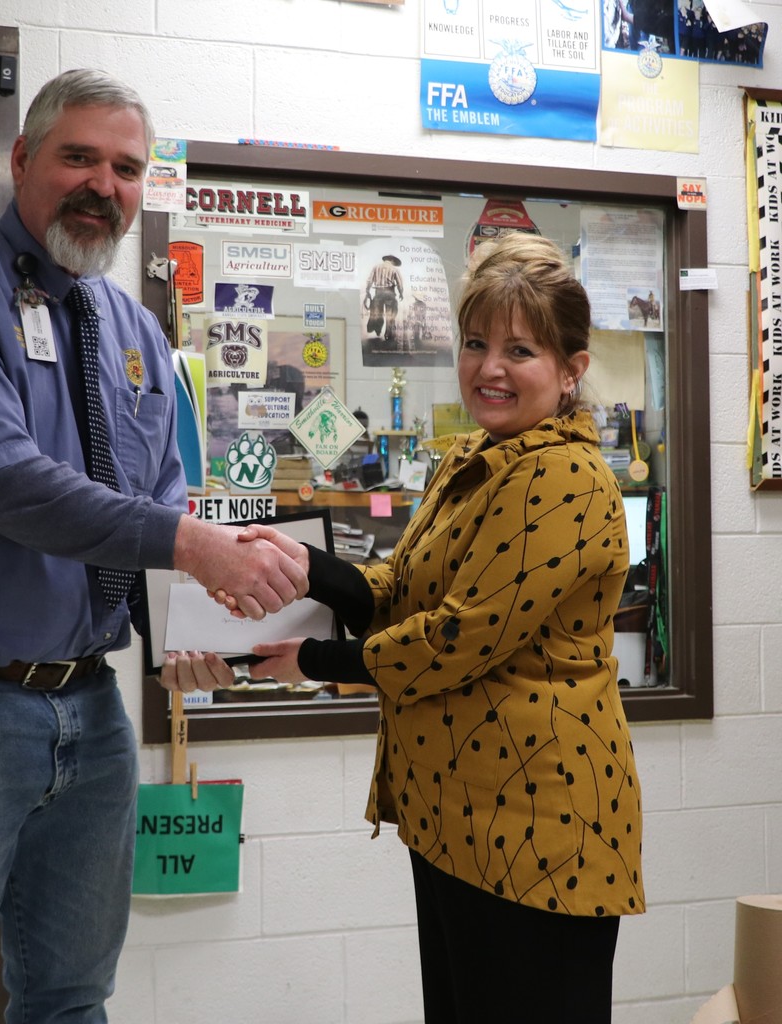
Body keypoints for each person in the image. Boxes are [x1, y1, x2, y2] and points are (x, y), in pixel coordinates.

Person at [0, 68, 306, 1024]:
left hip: (90, 705)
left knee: (74, 995)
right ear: (22, 160)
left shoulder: (134, 330)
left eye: (126, 168)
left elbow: (155, 498)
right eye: (79, 157)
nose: (103, 185)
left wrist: (182, 635)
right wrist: (192, 546)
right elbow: (0, 483)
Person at [166, 233, 644, 1023]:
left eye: (520, 350)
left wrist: (312, 659)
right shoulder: (477, 460)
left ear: (572, 369)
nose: (489, 368)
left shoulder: (563, 475)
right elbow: (404, 587)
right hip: (458, 817)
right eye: (476, 343)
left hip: (538, 827)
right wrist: (306, 566)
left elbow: (457, 639)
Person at [364, 253, 404, 344]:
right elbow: (399, 283)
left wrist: (367, 290)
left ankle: (377, 330)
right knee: (390, 314)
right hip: (390, 293)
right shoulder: (394, 269)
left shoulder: (376, 267)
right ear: (392, 260)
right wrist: (401, 293)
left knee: (378, 313)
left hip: (378, 292)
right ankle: (388, 335)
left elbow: (369, 280)